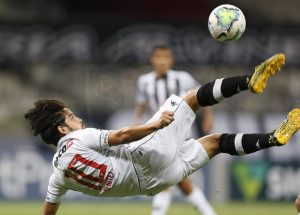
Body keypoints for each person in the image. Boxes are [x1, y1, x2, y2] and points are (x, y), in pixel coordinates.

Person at [25, 53, 299, 215]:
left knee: (216, 142)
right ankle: (248, 81)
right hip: (146, 157)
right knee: (190, 98)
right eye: (72, 117)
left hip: (154, 183)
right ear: (62, 129)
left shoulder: (57, 175)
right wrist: (152, 126)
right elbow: (120, 136)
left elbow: (48, 212)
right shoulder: (77, 139)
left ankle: (273, 138)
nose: (79, 118)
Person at [134, 45, 216, 215]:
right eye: (158, 57)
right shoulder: (144, 81)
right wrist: (136, 124)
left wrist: (208, 117)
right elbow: (141, 105)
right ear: (152, 59)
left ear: (171, 60)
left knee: (166, 178)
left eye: (166, 57)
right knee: (177, 180)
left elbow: (202, 94)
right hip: (158, 135)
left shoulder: (183, 78)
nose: (162, 61)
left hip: (182, 135)